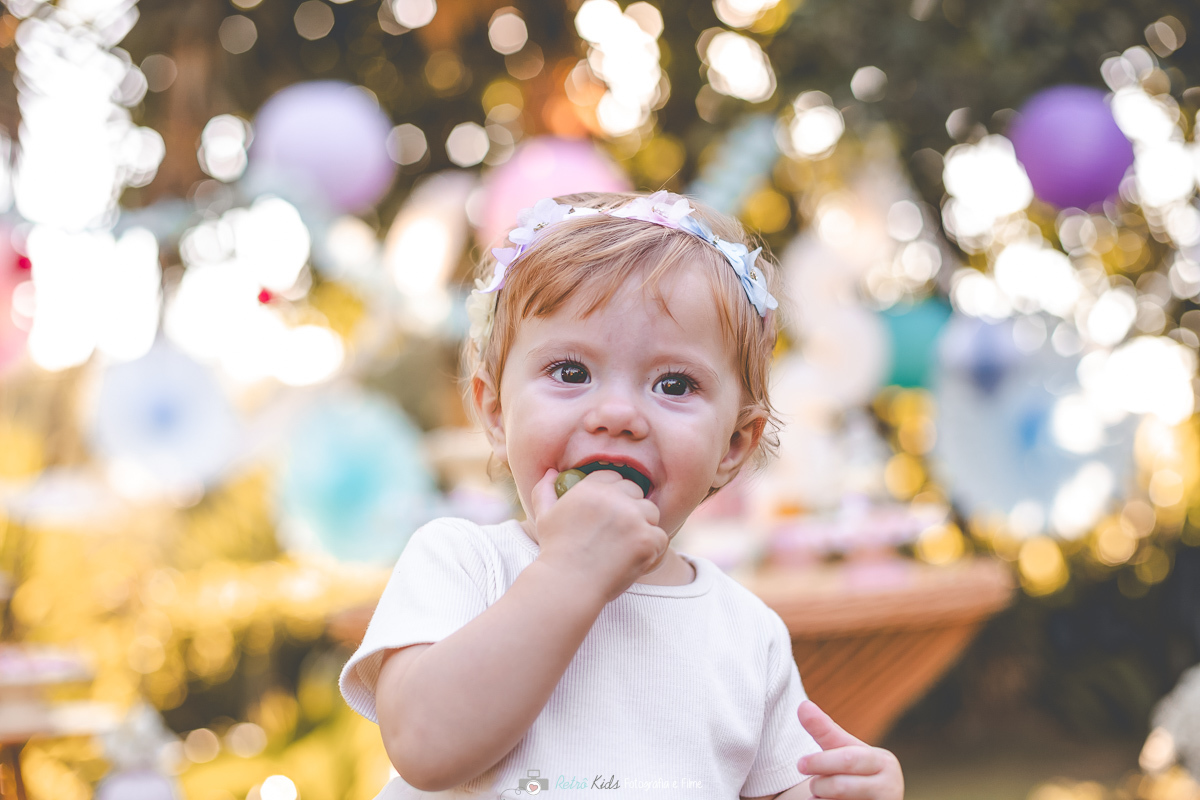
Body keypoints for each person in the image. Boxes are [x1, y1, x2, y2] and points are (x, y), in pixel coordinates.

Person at [339, 191, 904, 799]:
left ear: (734, 444)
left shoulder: (747, 632)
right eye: (571, 373)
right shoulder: (463, 564)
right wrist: (569, 572)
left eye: (674, 384)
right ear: (496, 411)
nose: (618, 414)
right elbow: (423, 745)